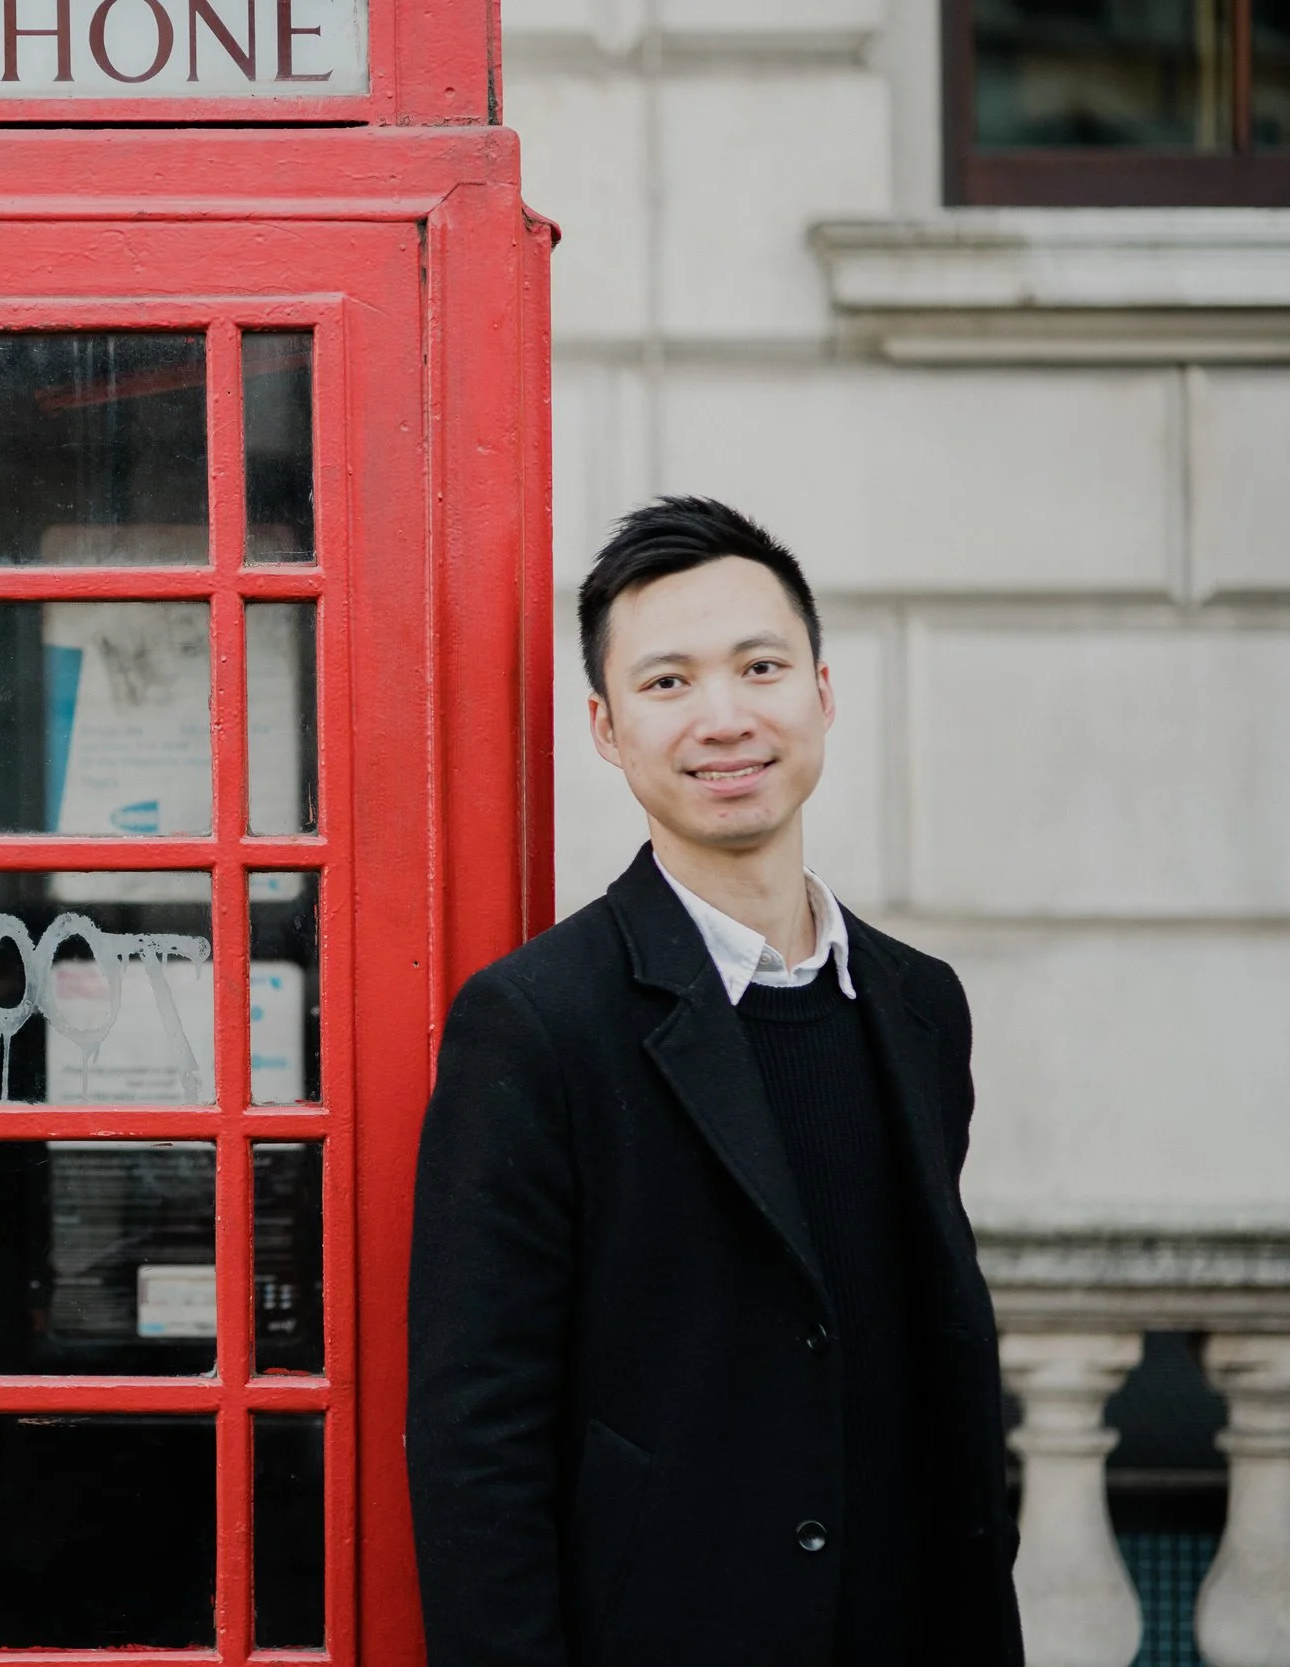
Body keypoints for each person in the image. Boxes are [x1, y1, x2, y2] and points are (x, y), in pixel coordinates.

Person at [405, 499, 1021, 1666]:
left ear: (822, 693)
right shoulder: (536, 1022)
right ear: (606, 726)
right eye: (668, 682)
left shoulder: (919, 1004)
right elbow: (475, 1436)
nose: (724, 716)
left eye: (759, 667)